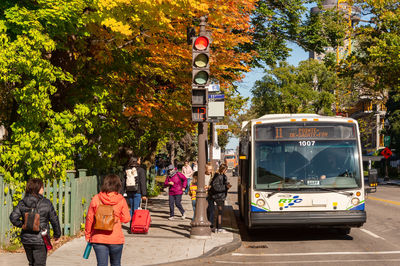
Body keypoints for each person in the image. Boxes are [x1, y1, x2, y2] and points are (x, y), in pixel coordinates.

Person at [10, 178, 61, 266]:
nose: (43, 189)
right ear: (38, 189)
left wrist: (23, 225)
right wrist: (57, 235)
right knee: (40, 264)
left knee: (31, 263)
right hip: (41, 239)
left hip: (26, 240)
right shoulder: (46, 203)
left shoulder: (22, 203)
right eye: (42, 187)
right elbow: (54, 220)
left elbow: (13, 217)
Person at [85, 174, 131, 266]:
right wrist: (116, 218)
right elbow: (127, 218)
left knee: (101, 264)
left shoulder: (96, 198)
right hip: (116, 238)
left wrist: (88, 235)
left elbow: (89, 218)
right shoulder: (121, 199)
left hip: (98, 238)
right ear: (118, 185)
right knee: (116, 263)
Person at [208, 164, 231, 233]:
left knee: (220, 212)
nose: (226, 171)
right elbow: (216, 187)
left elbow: (221, 184)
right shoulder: (218, 176)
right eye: (226, 169)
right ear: (223, 169)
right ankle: (219, 228)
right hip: (219, 197)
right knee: (220, 212)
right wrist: (225, 187)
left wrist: (227, 185)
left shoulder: (223, 176)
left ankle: (219, 227)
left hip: (221, 196)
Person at [124, 157, 147, 226]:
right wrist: (144, 194)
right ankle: (133, 225)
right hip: (137, 192)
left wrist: (122, 192)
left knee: (131, 208)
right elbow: (142, 182)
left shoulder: (127, 170)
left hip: (129, 191)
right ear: (136, 161)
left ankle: (131, 222)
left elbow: (124, 182)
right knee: (135, 209)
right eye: (139, 160)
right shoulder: (140, 170)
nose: (140, 161)